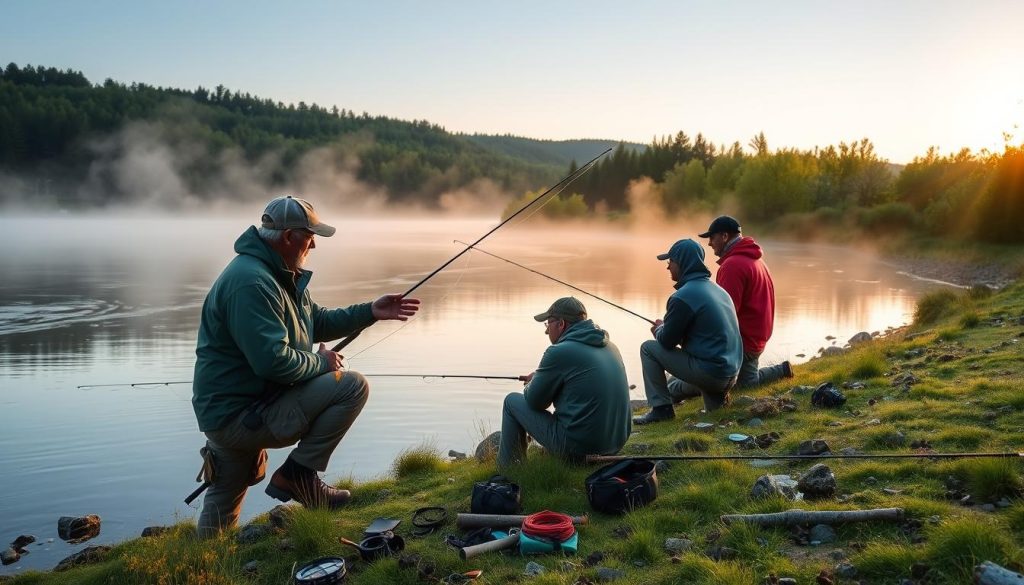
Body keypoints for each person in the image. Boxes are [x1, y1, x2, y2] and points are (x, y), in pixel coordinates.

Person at [192, 195, 420, 537]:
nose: (314, 244)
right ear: (288, 237)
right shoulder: (252, 282)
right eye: (309, 236)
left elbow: (316, 320)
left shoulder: (278, 272)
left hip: (242, 409)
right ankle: (298, 475)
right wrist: (322, 362)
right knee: (351, 385)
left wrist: (371, 311)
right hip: (240, 415)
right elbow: (274, 362)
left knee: (224, 496)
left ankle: (203, 562)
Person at [498, 297, 631, 467]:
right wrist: (539, 377)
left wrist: (532, 383)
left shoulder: (558, 351)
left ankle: (509, 469)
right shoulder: (611, 346)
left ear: (561, 324)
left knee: (511, 402)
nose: (547, 331)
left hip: (579, 449)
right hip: (615, 444)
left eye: (548, 323)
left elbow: (535, 401)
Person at [634, 239, 742, 424]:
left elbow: (667, 341)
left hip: (712, 374)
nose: (668, 267)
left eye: (670, 262)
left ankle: (662, 410)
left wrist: (659, 328)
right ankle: (718, 401)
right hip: (730, 373)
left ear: (681, 263)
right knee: (677, 389)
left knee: (648, 348)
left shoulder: (682, 296)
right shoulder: (718, 290)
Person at [695, 215, 792, 387]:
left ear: (724, 236)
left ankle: (672, 391)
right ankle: (780, 371)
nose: (709, 243)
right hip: (757, 338)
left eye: (712, 237)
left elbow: (724, 316)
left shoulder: (732, 266)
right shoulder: (756, 259)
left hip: (745, 344)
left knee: (710, 380)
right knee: (745, 382)